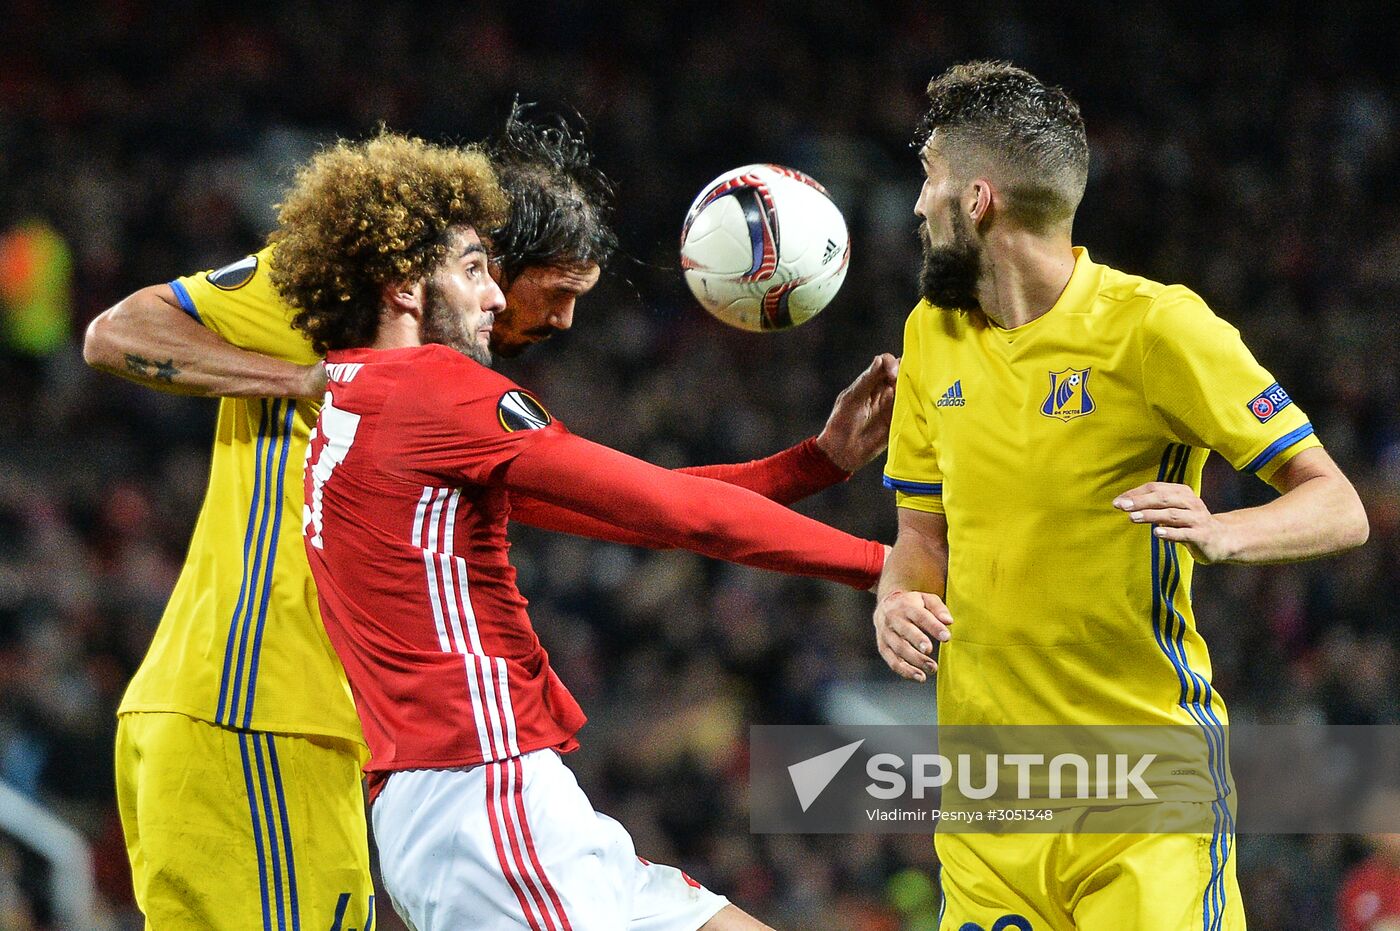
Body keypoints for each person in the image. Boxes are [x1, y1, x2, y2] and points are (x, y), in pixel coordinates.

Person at [83, 115, 894, 929]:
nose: (556, 320)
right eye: (561, 290)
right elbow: (118, 333)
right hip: (253, 703)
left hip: (361, 743)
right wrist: (303, 378)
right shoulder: (333, 301)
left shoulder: (438, 398)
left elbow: (635, 500)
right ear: (440, 267)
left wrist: (812, 466)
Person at [873, 61, 1369, 930]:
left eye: (931, 179)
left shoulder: (1156, 329)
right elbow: (922, 538)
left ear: (978, 199)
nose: (918, 206)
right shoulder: (931, 334)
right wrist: (896, 599)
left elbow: (1338, 503)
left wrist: (1226, 532)